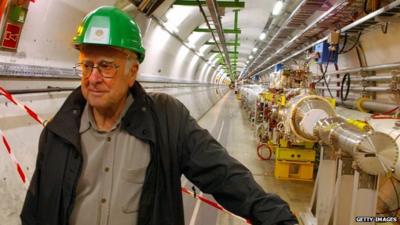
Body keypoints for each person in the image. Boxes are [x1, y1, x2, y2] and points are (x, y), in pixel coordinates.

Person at [20, 6, 298, 225]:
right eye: (87, 65)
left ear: (132, 72)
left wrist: (271, 213)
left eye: (106, 66)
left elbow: (221, 172)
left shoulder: (165, 119)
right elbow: (34, 211)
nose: (93, 78)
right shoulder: (58, 132)